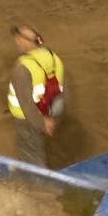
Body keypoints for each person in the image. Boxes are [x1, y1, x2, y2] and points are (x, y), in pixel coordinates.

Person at [6, 23, 65, 166]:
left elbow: (26, 103)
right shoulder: (54, 58)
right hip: (51, 113)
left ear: (24, 41)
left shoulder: (22, 68)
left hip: (28, 120)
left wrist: (41, 123)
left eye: (18, 38)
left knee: (31, 158)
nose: (16, 41)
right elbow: (63, 91)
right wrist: (52, 119)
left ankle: (39, 186)